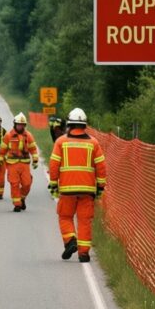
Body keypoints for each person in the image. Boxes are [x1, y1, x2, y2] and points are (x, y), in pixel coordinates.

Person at [49, 108, 107, 263]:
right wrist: (100, 186)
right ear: (84, 125)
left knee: (65, 216)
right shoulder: (94, 143)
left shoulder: (61, 141)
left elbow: (54, 164)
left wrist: (53, 184)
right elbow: (101, 166)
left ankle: (70, 240)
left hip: (67, 189)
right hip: (87, 190)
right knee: (84, 220)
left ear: (70, 124)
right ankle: (83, 254)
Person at [0, 113, 38, 213]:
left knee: (27, 183)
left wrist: (35, 159)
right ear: (15, 124)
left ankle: (21, 198)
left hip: (25, 163)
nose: (20, 126)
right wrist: (0, 158)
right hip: (12, 164)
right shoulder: (8, 135)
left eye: (22, 125)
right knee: (14, 184)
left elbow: (33, 149)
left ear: (25, 125)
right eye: (18, 124)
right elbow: (3, 149)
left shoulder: (28, 135)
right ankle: (17, 205)